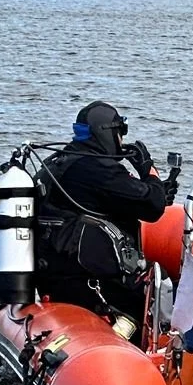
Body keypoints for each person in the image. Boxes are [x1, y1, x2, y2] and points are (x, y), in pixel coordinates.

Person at [34, 101, 173, 327]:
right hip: (90, 286)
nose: (122, 140)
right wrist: (148, 170)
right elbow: (152, 207)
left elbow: (108, 199)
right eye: (121, 132)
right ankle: (161, 343)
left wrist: (156, 190)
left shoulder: (60, 162)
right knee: (161, 279)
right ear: (107, 132)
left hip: (53, 278)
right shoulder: (98, 170)